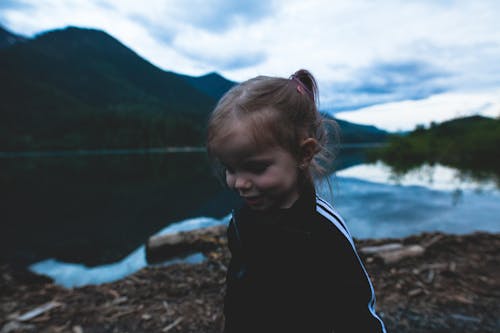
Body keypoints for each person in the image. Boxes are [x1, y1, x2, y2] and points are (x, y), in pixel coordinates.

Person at [206, 69, 386, 332]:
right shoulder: (242, 222)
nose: (238, 183)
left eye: (256, 168)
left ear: (303, 154)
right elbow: (238, 295)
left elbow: (359, 311)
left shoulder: (324, 230)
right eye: (230, 169)